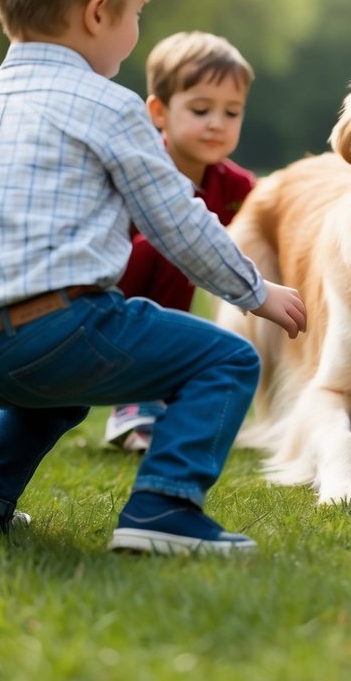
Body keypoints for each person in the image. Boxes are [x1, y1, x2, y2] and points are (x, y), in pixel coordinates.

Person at [0, 0, 306, 556]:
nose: (135, 31)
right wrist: (256, 292)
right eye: (136, 14)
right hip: (55, 329)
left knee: (53, 391)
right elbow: (178, 221)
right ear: (99, 14)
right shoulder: (110, 106)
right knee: (227, 358)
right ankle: (164, 507)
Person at [103, 31, 258, 453]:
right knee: (169, 242)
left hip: (188, 294)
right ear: (159, 111)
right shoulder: (141, 167)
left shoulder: (235, 185)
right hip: (116, 291)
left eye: (232, 112)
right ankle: (139, 398)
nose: (216, 123)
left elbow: (261, 222)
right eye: (201, 109)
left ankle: (203, 397)